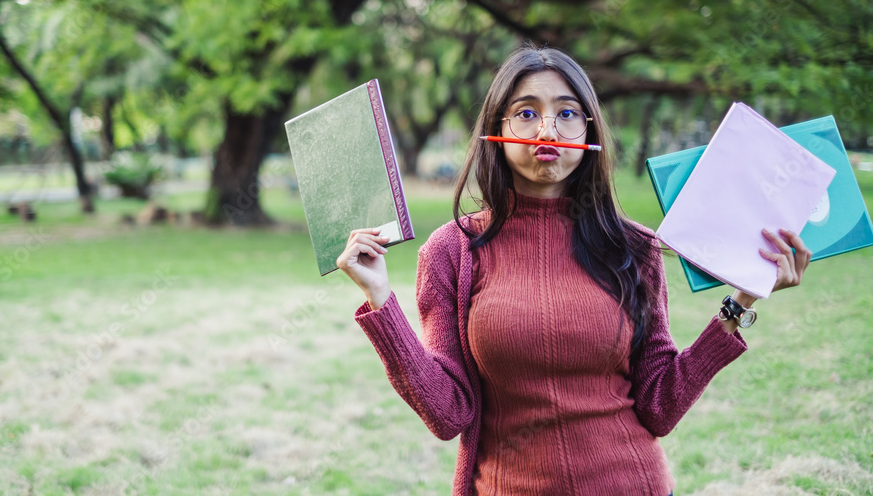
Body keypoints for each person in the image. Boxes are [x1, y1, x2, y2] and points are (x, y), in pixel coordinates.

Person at [336, 43, 811, 496]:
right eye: (526, 113)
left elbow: (660, 406)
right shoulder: (451, 252)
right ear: (495, 131)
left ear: (588, 132)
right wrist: (380, 299)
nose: (547, 130)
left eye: (566, 114)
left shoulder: (635, 247)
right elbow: (447, 414)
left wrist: (740, 303)